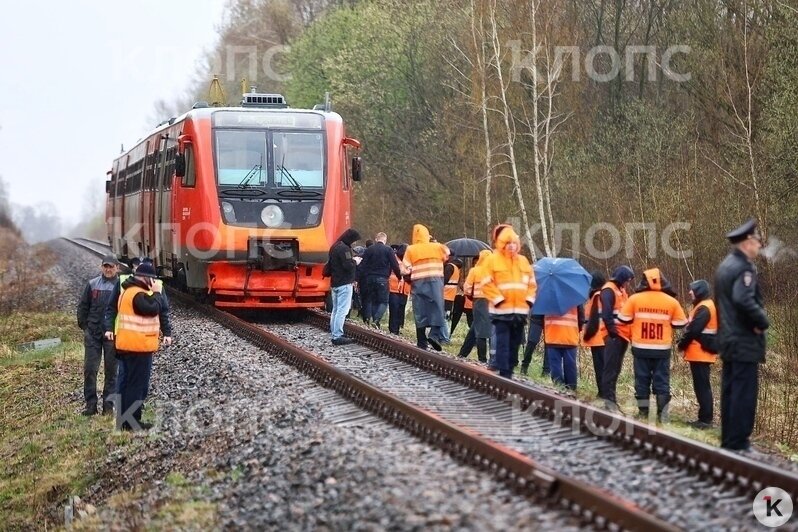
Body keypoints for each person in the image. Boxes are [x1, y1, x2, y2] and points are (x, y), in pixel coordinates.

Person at [715, 219, 768, 451]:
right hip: (743, 340)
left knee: (730, 391)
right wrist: (762, 321)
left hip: (727, 338)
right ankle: (739, 443)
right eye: (757, 240)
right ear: (747, 242)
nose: (759, 245)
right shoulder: (744, 268)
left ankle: (729, 441)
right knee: (744, 393)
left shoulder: (725, 265)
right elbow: (743, 299)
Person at [104, 262, 169, 431]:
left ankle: (123, 422)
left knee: (126, 384)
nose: (153, 282)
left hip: (128, 345)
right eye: (152, 279)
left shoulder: (128, 291)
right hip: (138, 346)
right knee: (136, 385)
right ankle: (133, 422)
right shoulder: (138, 294)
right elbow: (152, 309)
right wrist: (156, 293)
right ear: (146, 278)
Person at [618, 268, 687, 421]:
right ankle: (662, 415)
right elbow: (680, 323)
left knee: (641, 381)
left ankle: (643, 413)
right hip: (662, 350)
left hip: (640, 348)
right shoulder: (671, 301)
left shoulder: (635, 299)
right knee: (662, 381)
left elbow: (623, 319)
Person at [481, 225, 536, 379]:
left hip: (520, 311)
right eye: (507, 243)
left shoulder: (523, 262)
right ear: (502, 244)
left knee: (515, 343)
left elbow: (532, 284)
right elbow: (486, 283)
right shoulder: (492, 260)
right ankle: (504, 373)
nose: (511, 246)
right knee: (503, 342)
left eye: (513, 243)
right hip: (501, 312)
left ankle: (509, 370)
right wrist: (498, 299)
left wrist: (529, 301)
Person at [76, 254, 120, 416]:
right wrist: (85, 327)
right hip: (93, 333)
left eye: (111, 266)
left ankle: (108, 407)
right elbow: (83, 306)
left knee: (111, 371)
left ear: (117, 268)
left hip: (112, 335)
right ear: (101, 267)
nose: (108, 269)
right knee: (90, 369)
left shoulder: (122, 286)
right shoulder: (92, 284)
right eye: (105, 266)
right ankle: (90, 405)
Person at [676, 280, 718, 429]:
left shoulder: (705, 308)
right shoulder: (704, 306)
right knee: (701, 386)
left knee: (702, 387)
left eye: (692, 289)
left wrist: (681, 344)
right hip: (700, 353)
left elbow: (693, 330)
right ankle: (704, 418)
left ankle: (705, 420)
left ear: (699, 291)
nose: (689, 292)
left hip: (701, 353)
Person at [403, 224, 450, 350]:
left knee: (420, 311)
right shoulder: (438, 246)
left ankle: (421, 342)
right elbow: (448, 254)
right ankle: (434, 335)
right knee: (438, 308)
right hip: (435, 281)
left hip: (418, 282)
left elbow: (405, 269)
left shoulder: (410, 249)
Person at [600, 265, 635, 410]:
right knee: (610, 368)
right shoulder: (609, 290)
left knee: (616, 368)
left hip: (622, 336)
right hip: (614, 336)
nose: (628, 283)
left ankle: (611, 398)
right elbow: (607, 314)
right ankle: (608, 400)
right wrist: (612, 332)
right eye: (627, 280)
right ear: (621, 278)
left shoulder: (621, 290)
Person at [359, 232, 404, 328]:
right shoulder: (388, 250)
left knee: (370, 300)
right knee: (383, 301)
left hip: (369, 278)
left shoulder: (369, 250)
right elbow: (394, 265)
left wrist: (358, 278)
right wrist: (399, 277)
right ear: (385, 240)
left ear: (376, 239)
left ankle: (367, 320)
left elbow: (363, 265)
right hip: (382, 279)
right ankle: (376, 320)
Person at [328, 229, 361, 345]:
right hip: (344, 284)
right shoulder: (345, 249)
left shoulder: (335, 246)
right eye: (354, 241)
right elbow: (347, 265)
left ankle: (334, 332)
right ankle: (337, 335)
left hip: (335, 283)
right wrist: (355, 261)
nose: (355, 243)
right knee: (342, 310)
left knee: (335, 310)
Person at [458, 249, 492, 362]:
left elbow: (467, 288)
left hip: (480, 302)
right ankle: (463, 353)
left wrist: (470, 296)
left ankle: (482, 359)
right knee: (481, 329)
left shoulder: (475, 271)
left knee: (480, 331)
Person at [544, 304, 584, 390]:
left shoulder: (547, 296)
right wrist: (577, 329)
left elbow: (540, 318)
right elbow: (581, 318)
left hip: (552, 335)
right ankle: (571, 389)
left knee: (555, 365)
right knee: (570, 364)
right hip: (570, 335)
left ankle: (559, 387)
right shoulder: (575, 297)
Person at [582, 271, 608, 398]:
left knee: (600, 367)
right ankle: (604, 392)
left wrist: (587, 335)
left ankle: (603, 393)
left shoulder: (597, 296)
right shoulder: (603, 295)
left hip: (598, 337)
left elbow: (593, 318)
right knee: (603, 367)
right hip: (602, 338)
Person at [388, 244, 411, 335]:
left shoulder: (409, 261)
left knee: (401, 309)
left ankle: (397, 328)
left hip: (404, 289)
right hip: (394, 288)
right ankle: (393, 329)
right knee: (394, 309)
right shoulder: (394, 259)